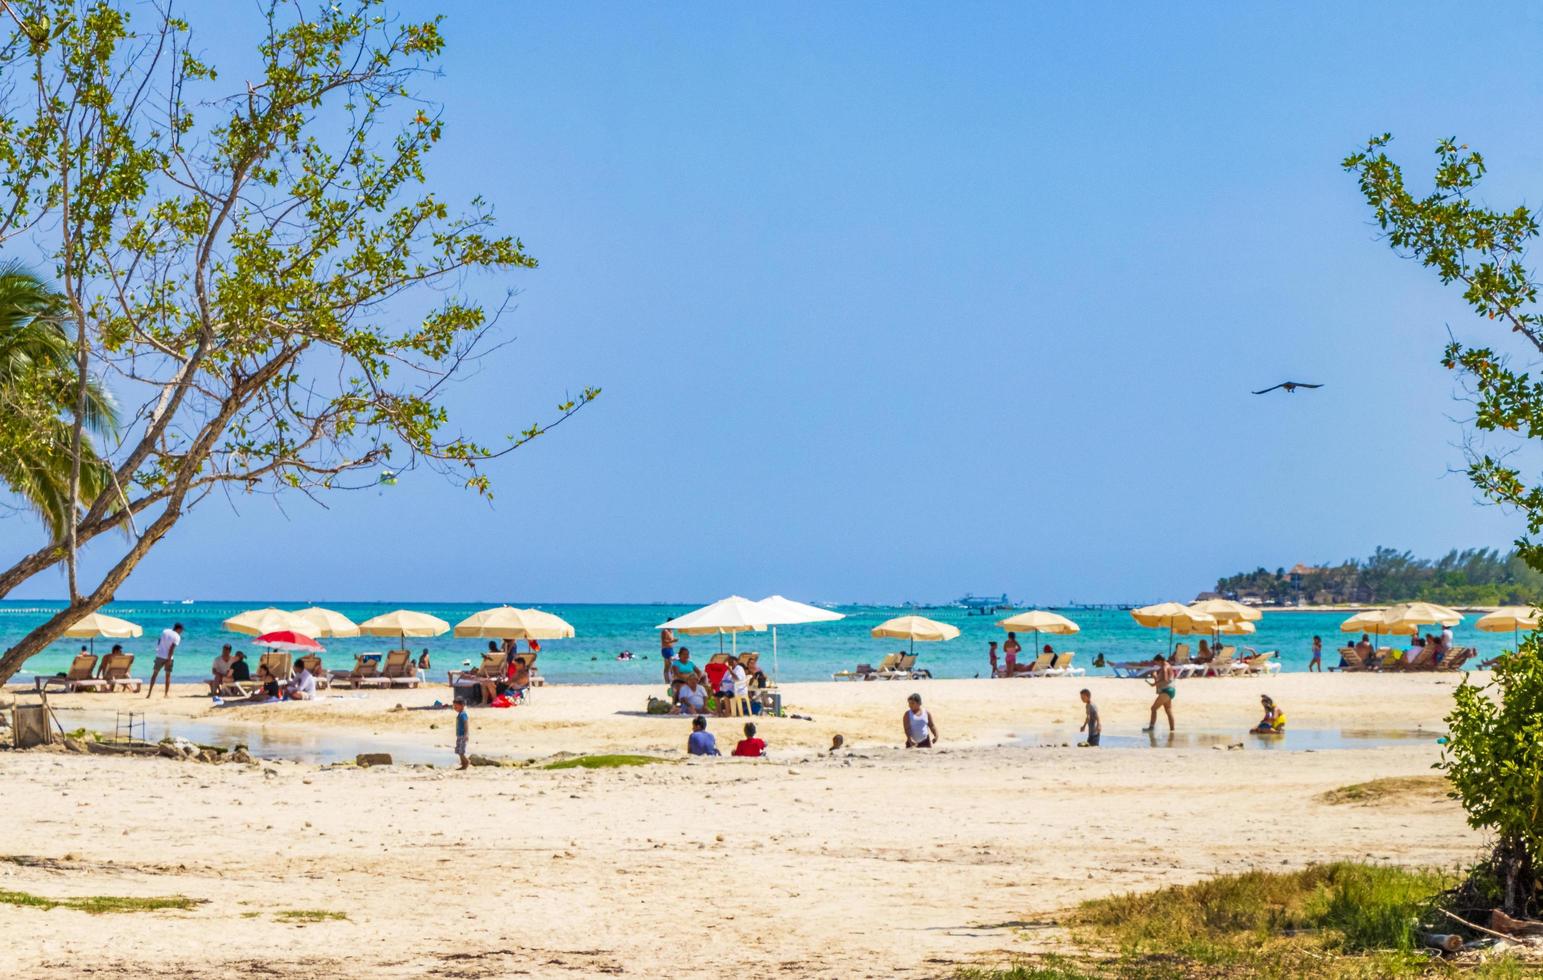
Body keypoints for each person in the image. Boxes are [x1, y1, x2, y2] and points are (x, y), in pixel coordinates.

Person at [145, 623, 183, 698]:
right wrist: (169, 659)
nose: (181, 632)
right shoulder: (177, 636)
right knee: (167, 676)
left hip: (159, 655)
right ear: (178, 629)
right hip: (169, 658)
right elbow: (172, 648)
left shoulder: (165, 631)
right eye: (181, 630)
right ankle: (166, 694)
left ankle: (149, 693)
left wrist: (159, 648)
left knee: (155, 674)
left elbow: (159, 640)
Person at [1142, 655, 1177, 733]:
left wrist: (1154, 684)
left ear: (1160, 660)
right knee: (1168, 710)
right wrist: (1155, 677)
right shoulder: (1168, 666)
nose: (1156, 664)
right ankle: (1172, 730)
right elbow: (1163, 680)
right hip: (1171, 690)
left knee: (1153, 708)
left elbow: (1165, 679)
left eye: (1156, 662)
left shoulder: (1164, 667)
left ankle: (1151, 728)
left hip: (1166, 691)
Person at [453, 697, 470, 770]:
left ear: (462, 705)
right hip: (459, 735)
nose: (454, 708)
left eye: (456, 706)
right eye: (454, 706)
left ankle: (466, 762)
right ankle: (463, 763)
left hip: (463, 735)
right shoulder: (460, 714)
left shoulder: (463, 714)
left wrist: (466, 734)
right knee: (458, 750)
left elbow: (466, 724)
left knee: (461, 751)